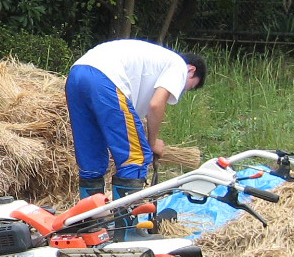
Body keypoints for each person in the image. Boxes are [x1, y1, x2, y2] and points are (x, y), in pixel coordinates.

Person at [65, 40, 206, 207]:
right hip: (106, 79)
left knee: (91, 159)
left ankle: (91, 224)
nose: (183, 91)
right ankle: (127, 230)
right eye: (190, 87)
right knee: (135, 157)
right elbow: (156, 104)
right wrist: (152, 143)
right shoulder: (179, 66)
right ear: (191, 70)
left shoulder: (153, 61)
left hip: (77, 74)